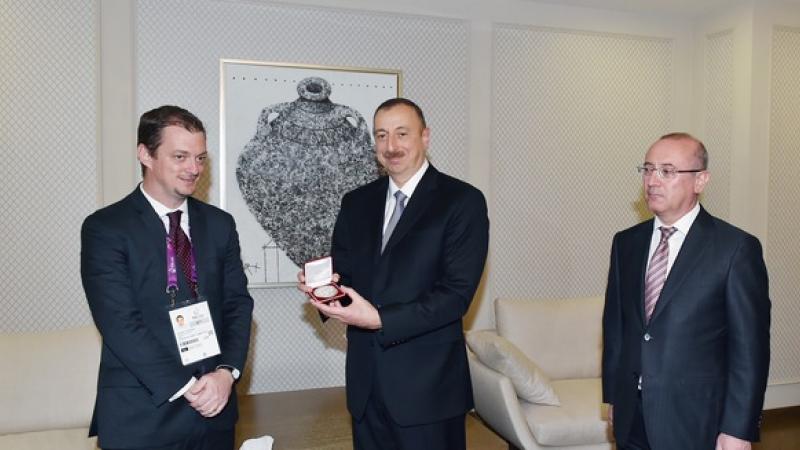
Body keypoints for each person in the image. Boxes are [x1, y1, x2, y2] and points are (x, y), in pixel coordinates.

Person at [298, 98, 489, 449]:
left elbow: (456, 296)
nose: (391, 146)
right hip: (365, 387)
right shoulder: (356, 202)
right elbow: (345, 274)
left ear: (425, 136)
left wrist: (379, 318)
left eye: (402, 134)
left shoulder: (462, 201)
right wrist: (322, 290)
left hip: (428, 391)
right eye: (382, 135)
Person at [81, 105, 254, 450]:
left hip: (214, 413)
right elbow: (120, 323)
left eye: (200, 158)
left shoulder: (220, 225)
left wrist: (226, 373)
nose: (194, 169)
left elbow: (238, 303)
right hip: (143, 416)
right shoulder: (106, 228)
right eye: (180, 156)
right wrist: (188, 388)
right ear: (145, 154)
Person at [602, 132, 770, 450]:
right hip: (631, 415)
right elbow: (616, 329)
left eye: (667, 171)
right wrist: (614, 396)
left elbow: (750, 351)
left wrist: (738, 429)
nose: (653, 180)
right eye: (648, 169)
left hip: (696, 421)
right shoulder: (626, 243)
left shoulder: (735, 249)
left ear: (700, 180)